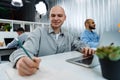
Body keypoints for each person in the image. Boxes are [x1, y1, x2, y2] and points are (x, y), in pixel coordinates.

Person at [9, 5, 95, 76]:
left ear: (65, 18)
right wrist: (21, 59)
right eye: (53, 15)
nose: (56, 18)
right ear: (49, 17)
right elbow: (22, 51)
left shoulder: (69, 35)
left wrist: (86, 48)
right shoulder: (38, 32)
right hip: (43, 75)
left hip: (65, 74)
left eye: (59, 15)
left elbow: (79, 44)